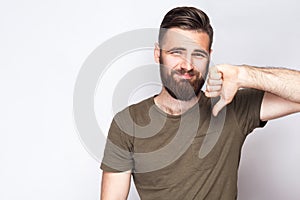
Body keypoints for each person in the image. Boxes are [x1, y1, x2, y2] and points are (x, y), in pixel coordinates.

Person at [100, 6, 300, 200]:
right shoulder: (128, 123)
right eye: (176, 52)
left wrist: (243, 74)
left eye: (198, 54)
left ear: (209, 57)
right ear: (157, 53)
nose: (187, 66)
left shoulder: (231, 108)